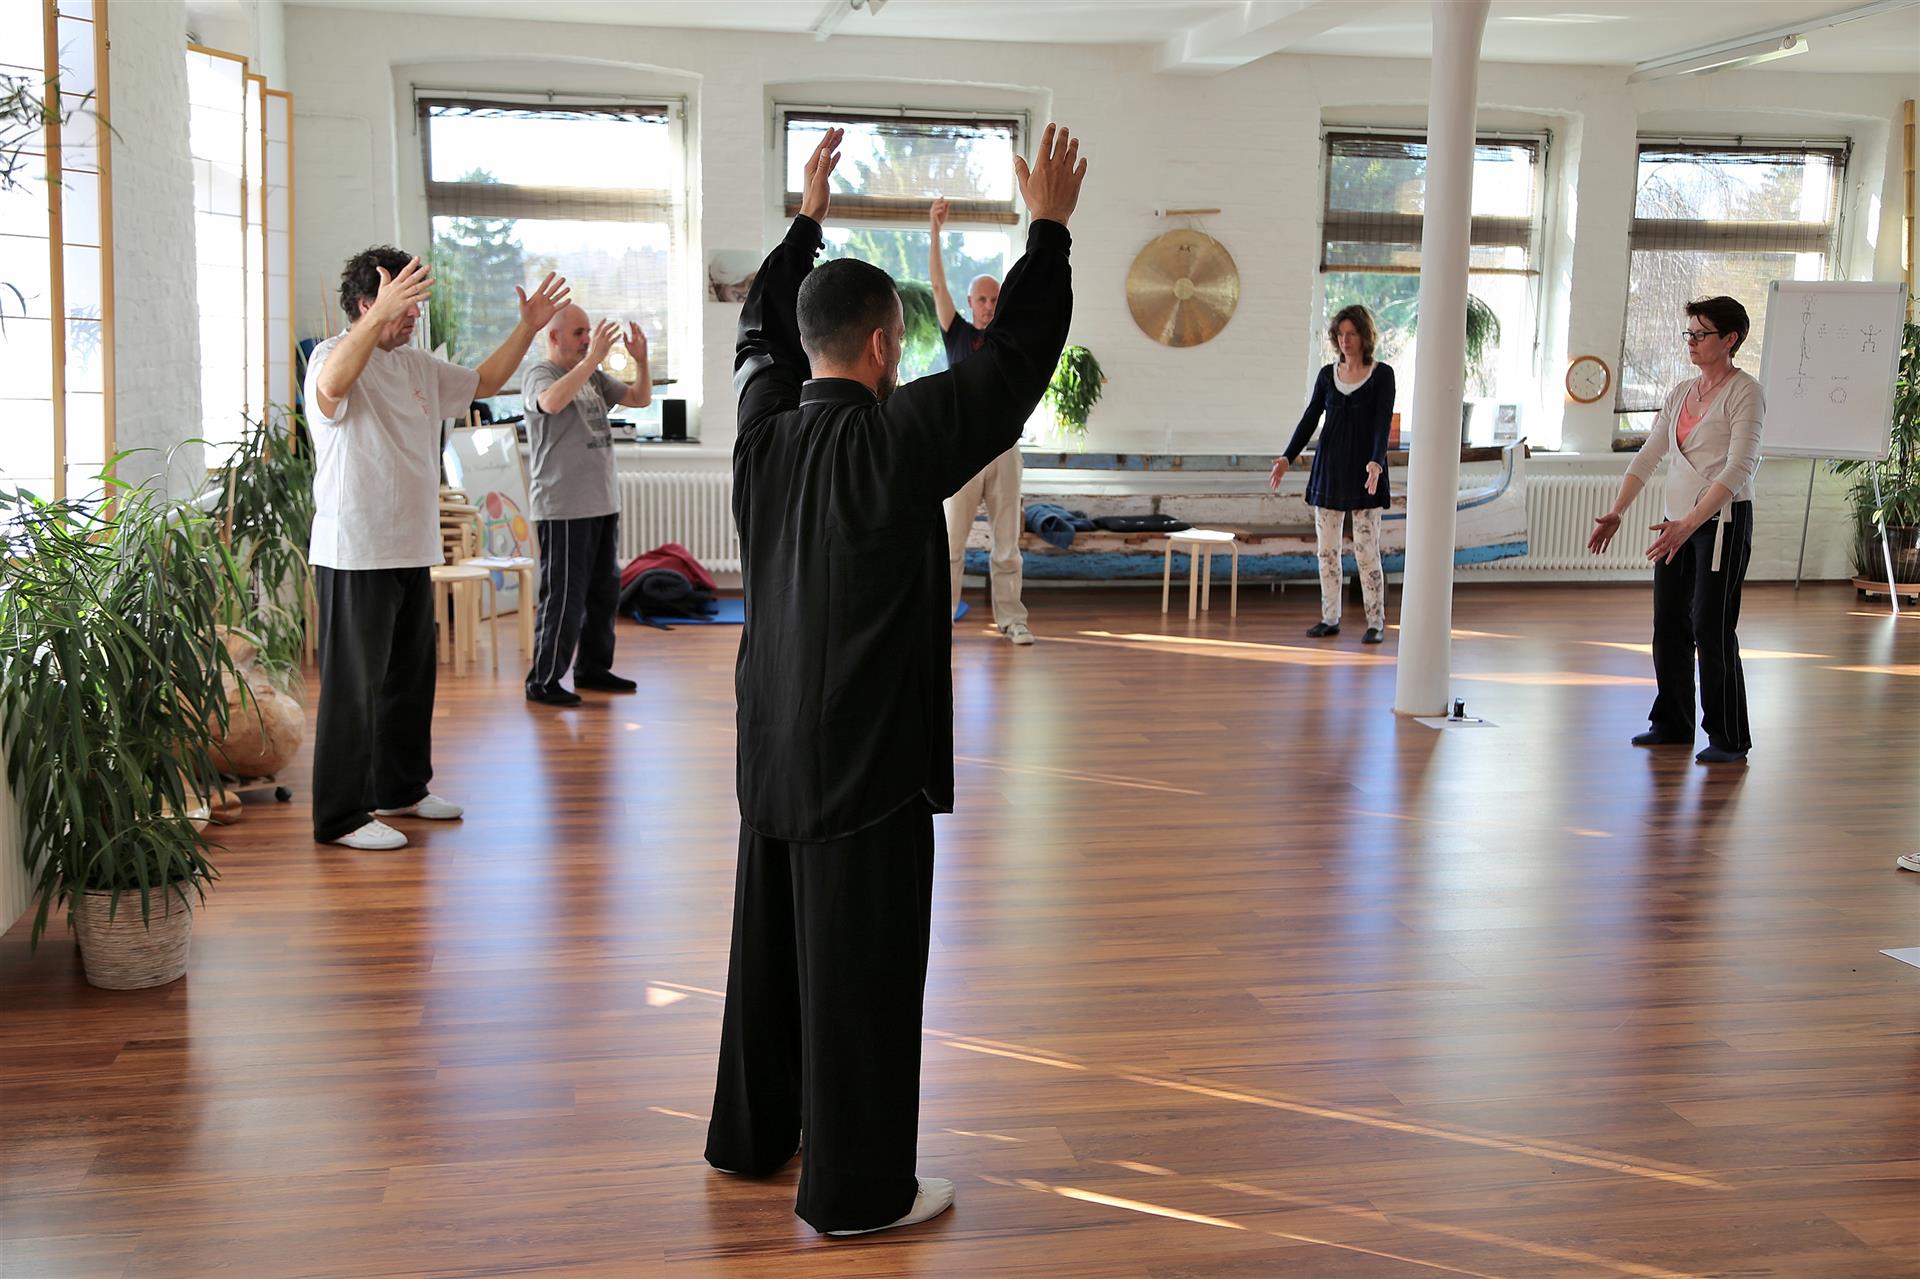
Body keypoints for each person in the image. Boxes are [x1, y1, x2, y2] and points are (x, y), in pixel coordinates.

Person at [705, 125, 1084, 1236]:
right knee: (862, 974)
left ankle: (754, 1136)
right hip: (865, 761)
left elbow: (755, 328)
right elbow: (1013, 367)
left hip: (771, 748)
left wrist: (806, 220)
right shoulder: (899, 438)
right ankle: (859, 1194)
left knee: (770, 954)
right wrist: (1049, 230)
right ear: (882, 345)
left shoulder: (759, 436)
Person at [306, 247, 569, 850]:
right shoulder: (332, 355)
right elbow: (330, 387)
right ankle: (340, 817)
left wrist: (527, 328)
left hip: (411, 543)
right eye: (404, 305)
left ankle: (399, 789)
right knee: (353, 689)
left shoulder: (416, 366)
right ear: (366, 303)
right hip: (355, 549)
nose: (414, 316)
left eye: (415, 305)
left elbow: (485, 383)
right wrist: (380, 317)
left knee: (408, 680)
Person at [1589, 296, 1763, 765]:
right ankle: (1672, 723)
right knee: (1668, 622)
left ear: (1730, 339)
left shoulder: (1746, 392)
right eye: (1689, 333)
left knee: (1711, 626)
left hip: (1721, 524)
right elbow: (1650, 454)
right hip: (1677, 524)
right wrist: (1618, 510)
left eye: (1701, 334)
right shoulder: (1681, 392)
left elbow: (1739, 468)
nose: (1691, 341)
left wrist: (1690, 523)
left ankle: (1729, 738)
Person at [521, 305, 652, 707]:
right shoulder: (540, 374)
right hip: (563, 507)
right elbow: (550, 403)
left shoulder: (591, 376)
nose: (586, 339)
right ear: (554, 337)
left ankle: (592, 668)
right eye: (579, 332)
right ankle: (543, 679)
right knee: (564, 598)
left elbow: (639, 398)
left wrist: (642, 361)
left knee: (602, 595)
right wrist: (592, 358)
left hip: (601, 503)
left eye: (588, 332)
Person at [931, 197, 1033, 645]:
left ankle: (1012, 620)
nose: (989, 305)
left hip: (1005, 449)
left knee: (1007, 544)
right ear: (971, 302)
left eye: (995, 299)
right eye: (983, 299)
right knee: (951, 544)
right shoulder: (957, 334)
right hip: (962, 449)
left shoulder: (1009, 340)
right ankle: (940, 620)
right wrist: (935, 231)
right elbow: (938, 286)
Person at [1270, 305, 1395, 644]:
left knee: (1366, 551)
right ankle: (1330, 618)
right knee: (1327, 551)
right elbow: (1310, 418)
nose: (1345, 340)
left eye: (1351, 333)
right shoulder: (1327, 375)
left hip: (1367, 473)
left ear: (1364, 336)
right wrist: (1287, 457)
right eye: (1340, 334)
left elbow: (1382, 423)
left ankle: (1376, 622)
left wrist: (1376, 461)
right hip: (1329, 470)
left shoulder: (1382, 375)